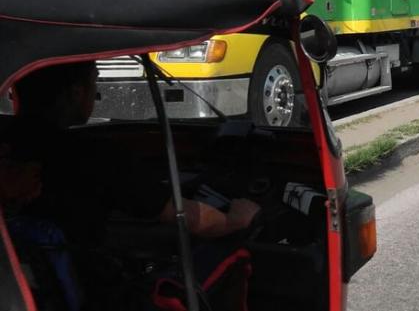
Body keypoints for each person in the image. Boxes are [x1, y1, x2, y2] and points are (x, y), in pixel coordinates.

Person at [2, 61, 260, 308]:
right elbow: (183, 215)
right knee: (228, 250)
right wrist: (234, 221)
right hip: (87, 294)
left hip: (17, 290)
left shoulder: (9, 144)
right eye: (95, 83)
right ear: (76, 93)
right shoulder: (92, 155)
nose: (97, 94)